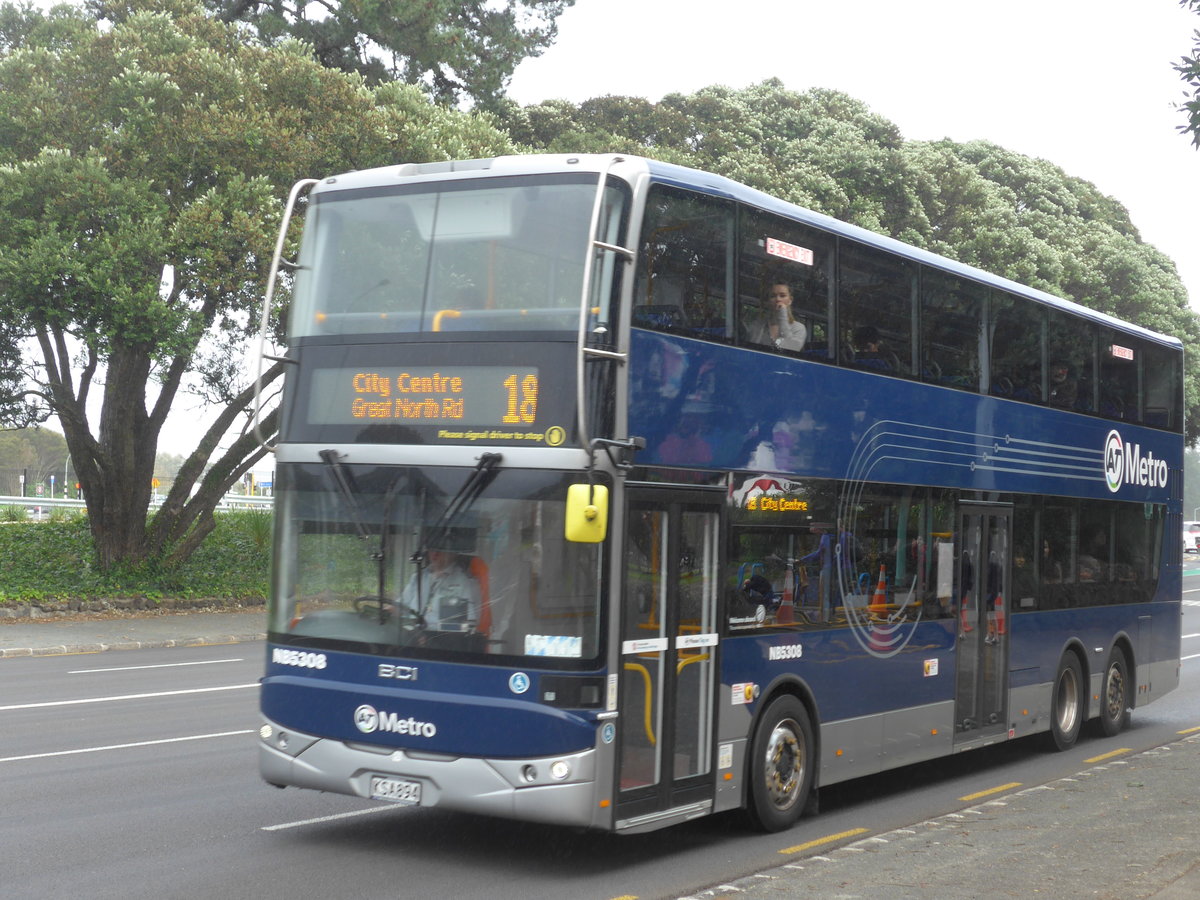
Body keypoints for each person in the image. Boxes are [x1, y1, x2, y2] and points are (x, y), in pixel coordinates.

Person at [399, 548, 481, 632]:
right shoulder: (418, 577)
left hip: (440, 641)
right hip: (410, 636)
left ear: (452, 553)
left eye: (441, 549)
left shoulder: (465, 582)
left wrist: (431, 631)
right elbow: (400, 606)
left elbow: (468, 625)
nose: (435, 553)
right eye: (432, 549)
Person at [749, 282, 807, 351]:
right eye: (773, 296)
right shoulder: (759, 324)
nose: (778, 299)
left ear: (790, 300)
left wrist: (782, 315)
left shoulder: (799, 328)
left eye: (782, 296)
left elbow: (791, 349)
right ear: (769, 301)